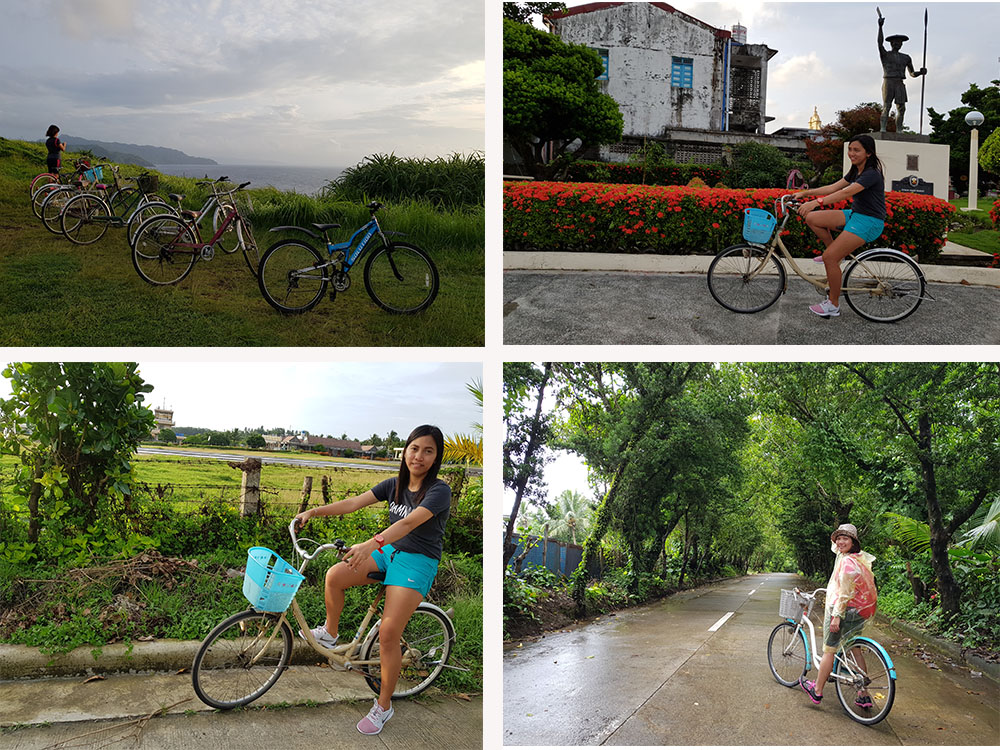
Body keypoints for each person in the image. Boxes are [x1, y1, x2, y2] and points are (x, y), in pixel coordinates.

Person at [292, 425, 450, 736]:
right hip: (389, 550)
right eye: (415, 448)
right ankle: (331, 633)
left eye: (428, 451)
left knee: (389, 634)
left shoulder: (438, 491)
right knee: (335, 575)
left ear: (435, 458)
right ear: (405, 451)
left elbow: (409, 522)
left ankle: (383, 706)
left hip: (418, 560)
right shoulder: (394, 485)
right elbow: (353, 503)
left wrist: (370, 544)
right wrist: (314, 511)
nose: (419, 456)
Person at [791, 134, 886, 318]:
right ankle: (836, 255)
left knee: (829, 258)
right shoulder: (856, 170)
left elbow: (845, 193)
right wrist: (806, 193)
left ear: (868, 153)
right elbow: (834, 187)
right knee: (812, 219)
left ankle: (833, 305)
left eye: (856, 150)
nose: (852, 153)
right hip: (855, 215)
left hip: (869, 222)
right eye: (850, 149)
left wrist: (816, 202)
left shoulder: (871, 174)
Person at [799, 523, 878, 708]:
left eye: (846, 538)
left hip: (844, 610)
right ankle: (863, 694)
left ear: (853, 542)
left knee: (830, 649)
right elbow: (836, 547)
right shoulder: (857, 557)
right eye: (839, 538)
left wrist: (836, 616)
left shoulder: (847, 563)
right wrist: (835, 539)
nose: (840, 542)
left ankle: (817, 690)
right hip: (860, 611)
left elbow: (844, 592)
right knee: (854, 648)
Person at [877, 13, 926, 132]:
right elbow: (879, 43)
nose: (897, 44)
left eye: (899, 42)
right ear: (891, 44)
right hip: (888, 81)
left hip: (900, 83)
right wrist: (880, 27)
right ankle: (883, 129)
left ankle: (899, 130)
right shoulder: (886, 55)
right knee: (887, 106)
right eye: (894, 42)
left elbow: (912, 73)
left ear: (901, 44)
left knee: (901, 108)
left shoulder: (906, 57)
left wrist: (920, 72)